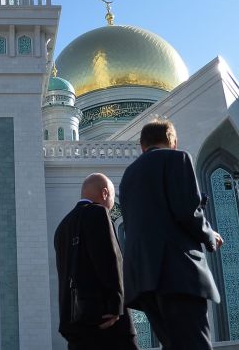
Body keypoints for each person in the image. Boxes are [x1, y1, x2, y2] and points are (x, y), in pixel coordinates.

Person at [119, 119, 223, 350]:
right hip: (177, 271)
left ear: (141, 145)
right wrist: (209, 236)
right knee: (195, 344)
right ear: (173, 141)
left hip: (144, 279)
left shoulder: (129, 175)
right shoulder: (178, 159)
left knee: (174, 344)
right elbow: (187, 211)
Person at [54, 173, 138, 350]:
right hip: (104, 317)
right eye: (113, 199)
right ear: (105, 193)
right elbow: (109, 260)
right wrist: (116, 305)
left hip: (74, 321)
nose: (112, 205)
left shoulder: (62, 227)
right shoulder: (98, 213)